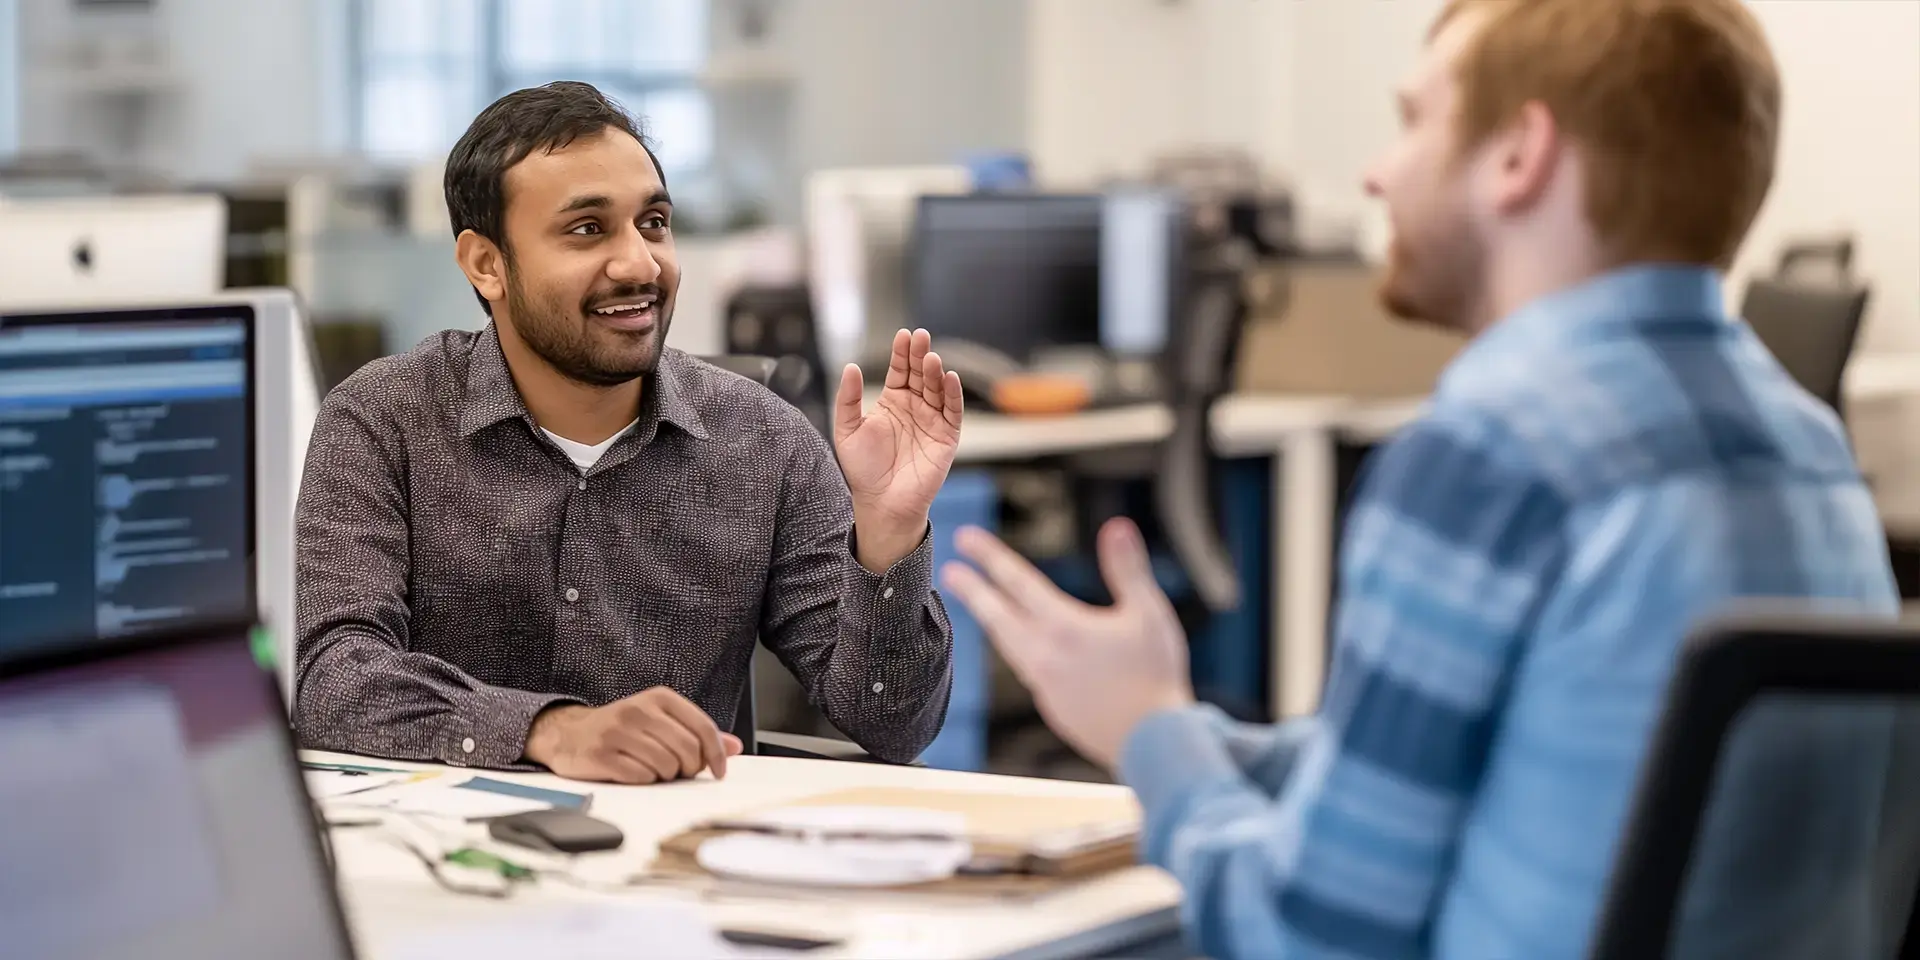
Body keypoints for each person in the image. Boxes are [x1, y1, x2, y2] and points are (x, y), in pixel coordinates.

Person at [941, 1, 1910, 957]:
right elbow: (1516, 767)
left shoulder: (1496, 453)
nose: (1376, 171)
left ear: (1520, 155)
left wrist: (1147, 731)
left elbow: (1302, 937)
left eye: (1412, 122)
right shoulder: (1814, 454)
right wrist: (1178, 723)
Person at [296, 81, 964, 784]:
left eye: (652, 223)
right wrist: (550, 731)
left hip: (685, 867)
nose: (640, 264)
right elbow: (334, 680)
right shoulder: (383, 420)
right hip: (450, 861)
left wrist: (888, 532)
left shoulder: (766, 440)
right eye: (587, 230)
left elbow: (893, 724)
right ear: (486, 265)